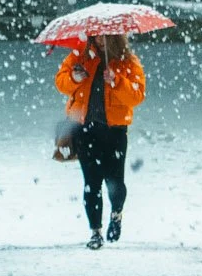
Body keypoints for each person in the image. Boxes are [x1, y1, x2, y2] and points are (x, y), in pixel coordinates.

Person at [54, 31, 146, 249]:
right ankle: (95, 231)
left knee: (115, 181)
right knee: (91, 182)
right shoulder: (80, 56)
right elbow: (61, 82)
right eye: (95, 37)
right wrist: (74, 79)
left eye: (105, 37)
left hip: (114, 131)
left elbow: (137, 95)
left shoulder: (128, 62)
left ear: (116, 37)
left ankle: (116, 214)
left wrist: (117, 81)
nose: (99, 41)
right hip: (84, 130)